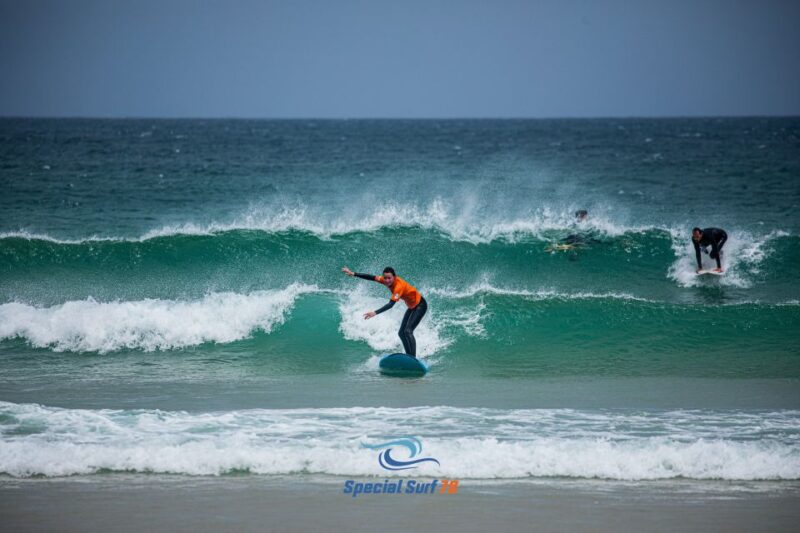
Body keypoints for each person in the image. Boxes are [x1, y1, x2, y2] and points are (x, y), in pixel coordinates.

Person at [342, 266, 428, 357]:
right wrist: (353, 273)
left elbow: (390, 304)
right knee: (401, 333)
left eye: (389, 278)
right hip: (411, 306)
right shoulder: (384, 280)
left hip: (420, 305)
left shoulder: (399, 286)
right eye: (385, 278)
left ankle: (413, 358)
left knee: (408, 331)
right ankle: (409, 356)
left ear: (394, 277)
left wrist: (375, 312)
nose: (387, 280)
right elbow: (371, 277)